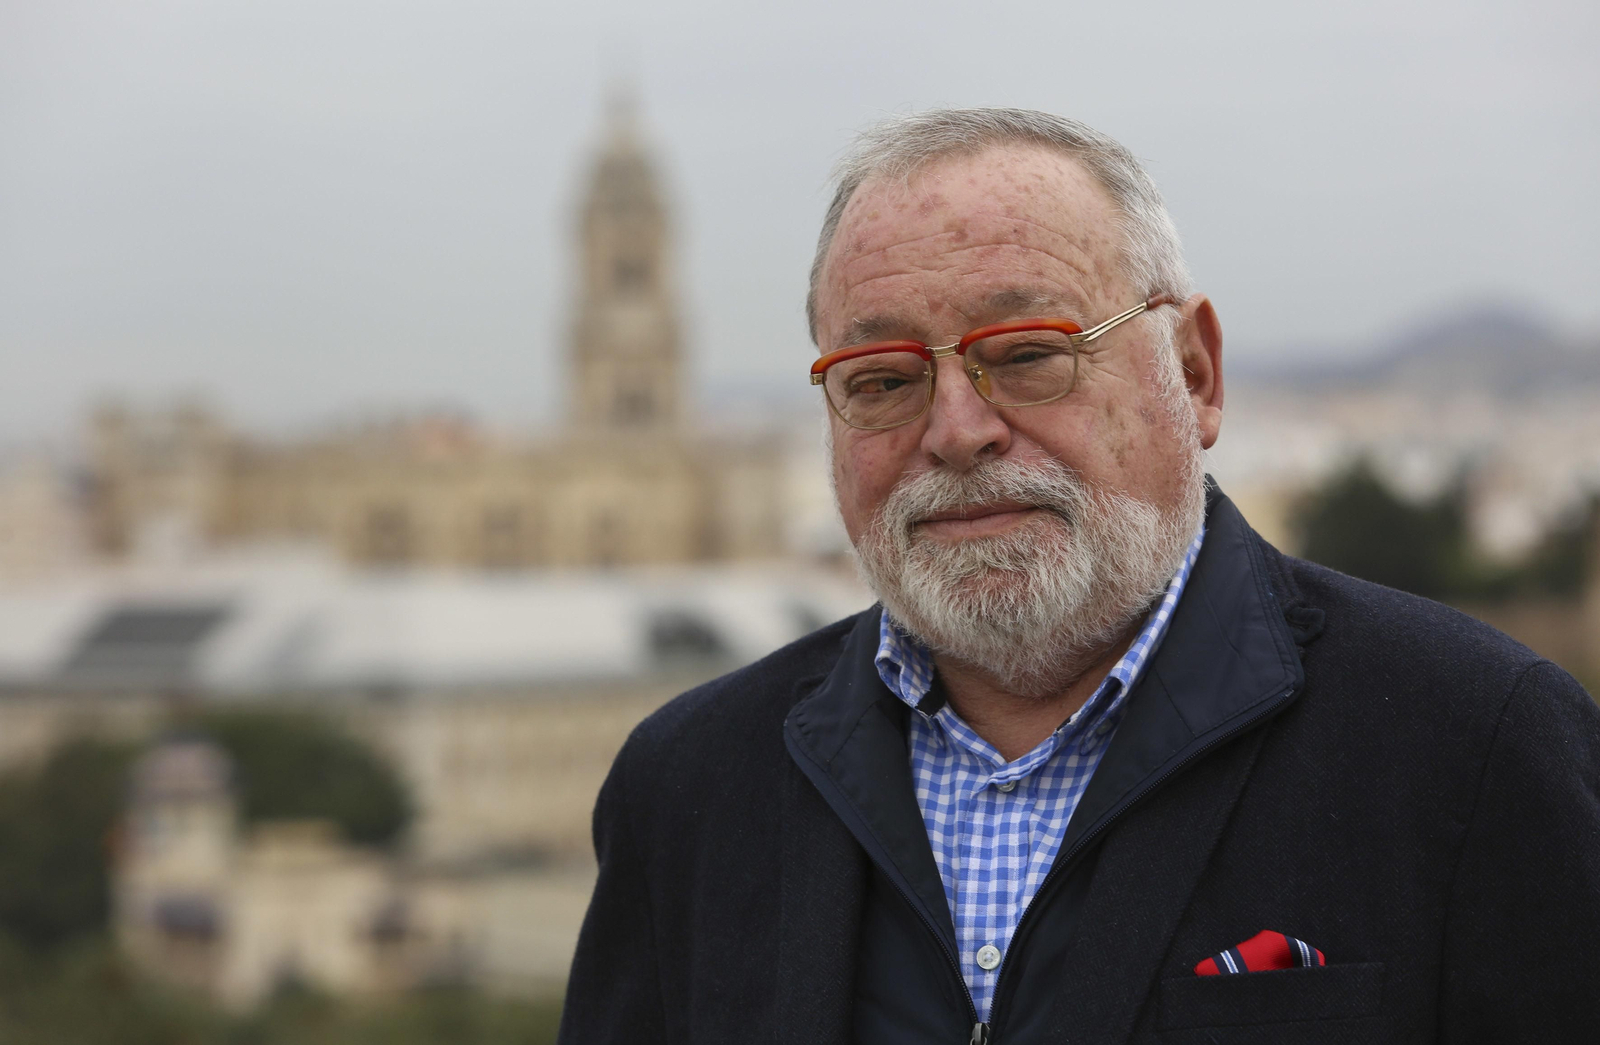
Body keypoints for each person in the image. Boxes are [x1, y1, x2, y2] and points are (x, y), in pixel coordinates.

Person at [558, 109, 1600, 1044]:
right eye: (882, 380)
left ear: (1193, 372)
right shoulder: (688, 787)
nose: (957, 431)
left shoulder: (1472, 747)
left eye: (1026, 353)